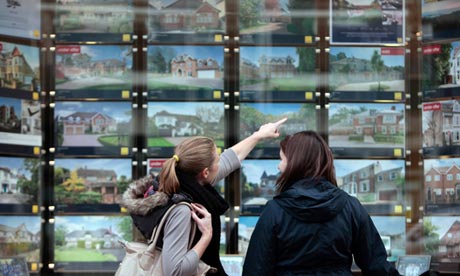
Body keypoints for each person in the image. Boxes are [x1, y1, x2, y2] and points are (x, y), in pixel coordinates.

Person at [120, 118, 287, 276]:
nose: (220, 161)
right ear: (205, 172)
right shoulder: (182, 210)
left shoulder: (179, 181)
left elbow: (230, 159)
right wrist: (207, 234)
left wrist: (258, 135)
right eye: (217, 159)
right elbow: (175, 271)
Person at [242, 130, 400, 276]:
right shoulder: (351, 207)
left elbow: (255, 270)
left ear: (295, 163)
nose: (279, 166)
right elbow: (377, 266)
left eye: (282, 159)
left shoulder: (275, 210)